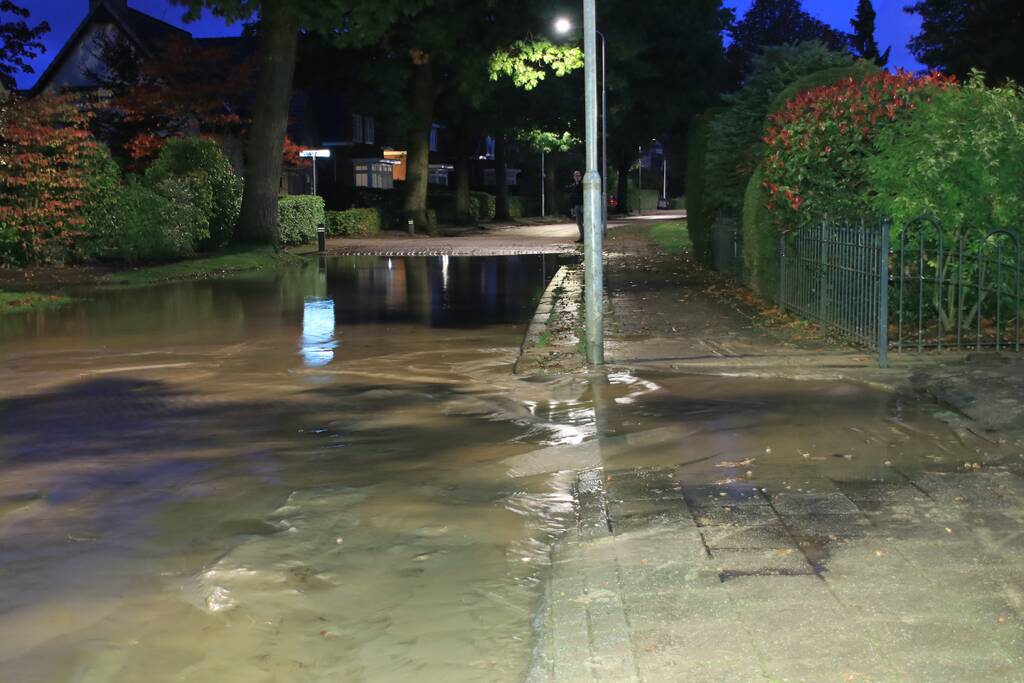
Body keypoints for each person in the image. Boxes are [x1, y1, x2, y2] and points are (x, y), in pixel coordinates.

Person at [564, 170, 584, 243]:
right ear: (574, 177)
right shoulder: (573, 186)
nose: (577, 177)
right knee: (579, 222)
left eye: (578, 175)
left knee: (586, 222)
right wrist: (572, 208)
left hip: (583, 205)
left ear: (581, 177)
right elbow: (571, 198)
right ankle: (582, 237)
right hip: (576, 206)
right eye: (575, 176)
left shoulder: (583, 185)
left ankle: (588, 236)